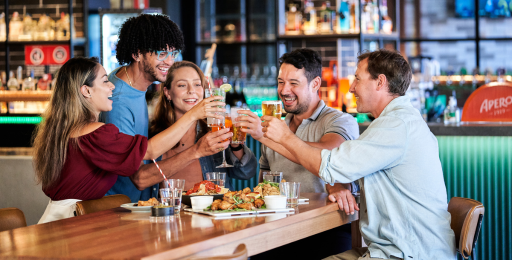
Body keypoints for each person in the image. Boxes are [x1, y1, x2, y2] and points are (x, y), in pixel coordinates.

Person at [260, 49, 457, 260]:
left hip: (408, 254)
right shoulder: (396, 122)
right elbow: (346, 167)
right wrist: (340, 183)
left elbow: (332, 165)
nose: (352, 87)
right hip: (397, 249)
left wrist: (284, 138)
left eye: (357, 79)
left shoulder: (394, 126)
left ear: (380, 82)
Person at [33, 57, 226, 223]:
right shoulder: (95, 133)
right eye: (105, 81)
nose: (112, 86)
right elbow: (148, 151)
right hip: (70, 223)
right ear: (86, 91)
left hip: (59, 217)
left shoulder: (70, 128)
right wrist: (193, 116)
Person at [238, 49, 360, 260]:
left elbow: (328, 154)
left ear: (315, 84)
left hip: (326, 229)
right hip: (278, 230)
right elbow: (264, 185)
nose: (284, 90)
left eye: (294, 83)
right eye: (280, 82)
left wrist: (268, 137)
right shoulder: (276, 125)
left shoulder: (339, 120)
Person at [99, 14, 192, 202]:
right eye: (161, 53)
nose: (170, 61)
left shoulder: (129, 81)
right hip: (117, 209)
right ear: (137, 54)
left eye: (172, 54)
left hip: (135, 205)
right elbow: (138, 177)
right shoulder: (118, 101)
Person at [130, 61, 256, 192]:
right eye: (182, 85)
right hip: (170, 210)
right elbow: (140, 180)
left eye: (197, 84)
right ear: (168, 93)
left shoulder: (213, 130)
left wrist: (236, 144)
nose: (191, 91)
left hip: (213, 210)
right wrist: (196, 151)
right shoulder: (151, 136)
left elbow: (246, 172)